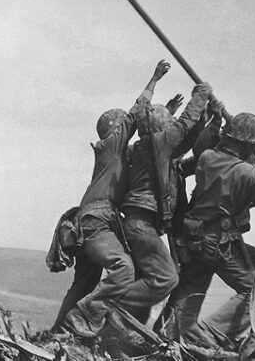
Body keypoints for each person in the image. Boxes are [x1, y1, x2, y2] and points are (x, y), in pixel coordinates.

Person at [164, 113, 255, 347]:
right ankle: (212, 334)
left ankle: (169, 335)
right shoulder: (247, 173)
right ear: (247, 144)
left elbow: (237, 192)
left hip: (194, 238)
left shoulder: (207, 159)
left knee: (191, 292)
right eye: (254, 146)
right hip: (219, 243)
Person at [57, 60, 170, 339]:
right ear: (115, 129)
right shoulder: (111, 145)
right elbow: (136, 114)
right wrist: (154, 79)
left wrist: (169, 114)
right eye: (123, 126)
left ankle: (57, 332)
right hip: (97, 221)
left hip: (89, 221)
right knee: (124, 267)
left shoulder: (114, 154)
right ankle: (86, 316)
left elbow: (148, 141)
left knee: (84, 282)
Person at [116, 81, 213, 322]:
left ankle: (123, 328)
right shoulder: (158, 143)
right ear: (162, 127)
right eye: (169, 123)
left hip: (139, 223)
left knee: (146, 285)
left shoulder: (149, 150)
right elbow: (185, 125)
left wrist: (209, 119)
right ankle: (105, 306)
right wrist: (200, 96)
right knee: (167, 278)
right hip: (141, 224)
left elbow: (188, 139)